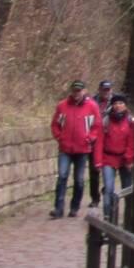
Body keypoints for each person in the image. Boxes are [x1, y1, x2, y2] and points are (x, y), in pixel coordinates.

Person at [50, 79, 99, 218]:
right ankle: (58, 208)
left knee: (79, 180)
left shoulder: (92, 106)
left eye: (79, 91)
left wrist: (90, 138)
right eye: (74, 90)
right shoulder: (62, 106)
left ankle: (74, 207)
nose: (76, 93)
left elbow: (97, 126)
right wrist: (60, 137)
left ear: (84, 91)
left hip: (82, 149)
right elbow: (55, 124)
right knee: (62, 177)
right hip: (65, 148)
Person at [95, 94, 134, 223]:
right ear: (112, 105)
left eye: (121, 103)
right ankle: (108, 216)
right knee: (109, 187)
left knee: (127, 187)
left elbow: (132, 141)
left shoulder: (130, 121)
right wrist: (98, 160)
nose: (118, 106)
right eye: (116, 103)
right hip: (108, 157)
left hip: (125, 159)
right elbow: (99, 141)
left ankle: (130, 215)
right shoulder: (106, 121)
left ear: (125, 105)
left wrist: (129, 159)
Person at [88, 79, 114, 208]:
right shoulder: (92, 102)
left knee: (108, 168)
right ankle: (95, 197)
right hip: (94, 138)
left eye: (108, 90)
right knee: (94, 169)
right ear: (99, 90)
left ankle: (106, 188)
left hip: (109, 139)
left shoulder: (115, 102)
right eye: (104, 89)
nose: (106, 92)